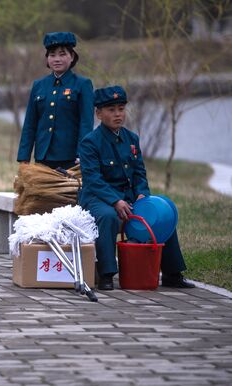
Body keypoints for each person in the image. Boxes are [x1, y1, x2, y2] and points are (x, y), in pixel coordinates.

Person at [78, 85, 196, 291]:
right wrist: (116, 201)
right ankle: (107, 274)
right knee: (108, 217)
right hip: (98, 199)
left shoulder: (131, 139)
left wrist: (143, 194)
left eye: (121, 109)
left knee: (162, 213)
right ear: (98, 113)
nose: (118, 114)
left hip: (129, 198)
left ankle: (172, 273)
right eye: (111, 110)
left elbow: (139, 174)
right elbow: (93, 179)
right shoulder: (90, 142)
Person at [17, 31, 94, 170]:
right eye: (52, 55)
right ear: (47, 59)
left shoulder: (82, 84)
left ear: (72, 57)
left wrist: (83, 154)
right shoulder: (39, 85)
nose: (57, 59)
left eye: (62, 54)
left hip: (70, 158)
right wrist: (24, 157)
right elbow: (30, 123)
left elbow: (86, 123)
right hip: (43, 156)